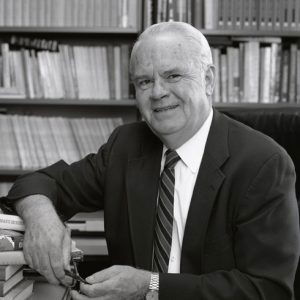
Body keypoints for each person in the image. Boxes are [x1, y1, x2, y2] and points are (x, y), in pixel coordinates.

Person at [1, 21, 299, 300]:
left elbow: (268, 290)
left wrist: (150, 286)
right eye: (144, 81)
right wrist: (41, 218)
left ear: (208, 79)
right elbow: (38, 183)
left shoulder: (263, 163)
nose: (157, 92)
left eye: (173, 75)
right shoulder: (126, 146)